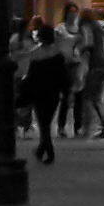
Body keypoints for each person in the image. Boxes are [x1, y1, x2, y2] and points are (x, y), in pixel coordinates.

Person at [19, 19, 72, 163]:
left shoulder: (35, 54)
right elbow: (63, 75)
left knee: (43, 123)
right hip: (53, 93)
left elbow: (30, 76)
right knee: (46, 122)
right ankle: (43, 150)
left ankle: (48, 151)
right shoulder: (58, 54)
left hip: (38, 92)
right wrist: (66, 91)